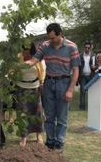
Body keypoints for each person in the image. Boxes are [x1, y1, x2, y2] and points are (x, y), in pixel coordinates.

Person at [25, 23, 81, 153]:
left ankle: (59, 143)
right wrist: (20, 66)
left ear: (60, 34)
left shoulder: (72, 47)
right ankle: (50, 142)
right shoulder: (45, 46)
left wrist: (70, 90)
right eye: (49, 38)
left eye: (53, 38)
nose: (50, 41)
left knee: (61, 117)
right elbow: (34, 60)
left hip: (64, 83)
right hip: (49, 83)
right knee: (49, 116)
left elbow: (76, 70)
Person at [17, 42, 45, 146]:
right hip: (21, 88)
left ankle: (38, 134)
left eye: (27, 53)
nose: (25, 55)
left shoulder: (37, 58)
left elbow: (42, 71)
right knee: (23, 113)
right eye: (24, 53)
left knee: (37, 112)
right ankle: (24, 136)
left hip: (35, 87)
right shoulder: (18, 58)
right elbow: (11, 71)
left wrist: (42, 83)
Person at [78, 42, 96, 110]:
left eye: (88, 48)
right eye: (85, 47)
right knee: (82, 92)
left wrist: (95, 67)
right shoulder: (81, 56)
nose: (87, 49)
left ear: (90, 48)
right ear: (84, 48)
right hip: (83, 76)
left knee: (91, 92)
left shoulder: (93, 56)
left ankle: (91, 107)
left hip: (91, 76)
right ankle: (82, 107)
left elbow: (97, 65)